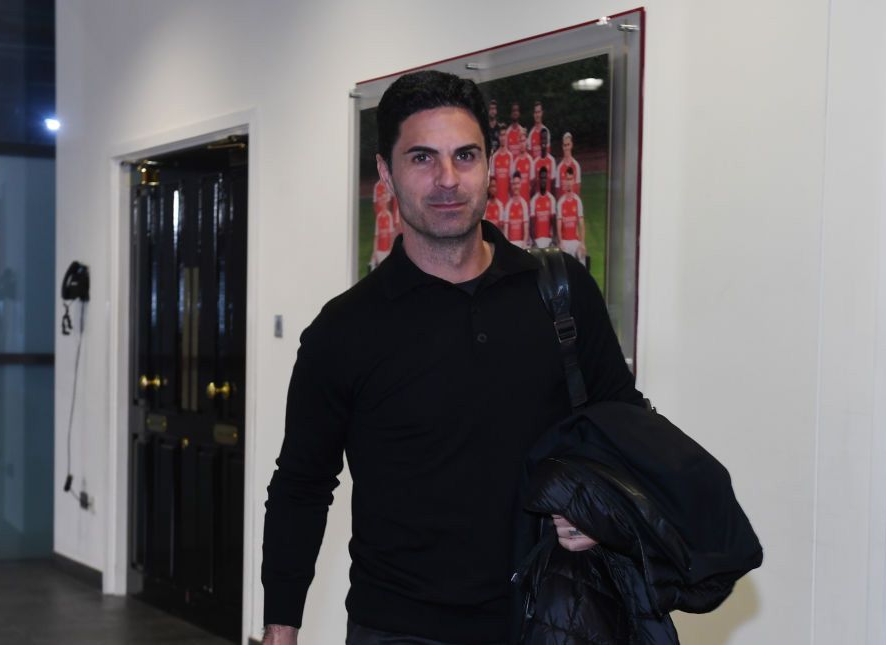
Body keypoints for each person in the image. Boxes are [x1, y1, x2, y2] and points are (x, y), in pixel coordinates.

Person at [262, 70, 641, 644]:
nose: (447, 179)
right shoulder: (343, 330)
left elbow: (624, 421)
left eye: (465, 156)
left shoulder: (560, 293)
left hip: (551, 614)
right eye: (422, 158)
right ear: (385, 175)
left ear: (490, 164)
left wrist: (600, 505)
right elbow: (302, 485)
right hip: (400, 627)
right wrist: (281, 626)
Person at [556, 165, 587, 263]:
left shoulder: (578, 201)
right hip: (565, 242)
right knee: (564, 260)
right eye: (567, 179)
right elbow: (559, 225)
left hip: (575, 241)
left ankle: (582, 277)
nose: (569, 182)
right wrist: (560, 242)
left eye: (570, 179)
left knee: (582, 255)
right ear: (564, 182)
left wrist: (582, 243)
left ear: (573, 181)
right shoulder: (561, 202)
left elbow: (581, 223)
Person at [529, 167, 556, 249]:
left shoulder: (551, 199)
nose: (543, 180)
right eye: (541, 178)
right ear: (539, 180)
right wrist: (534, 241)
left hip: (549, 240)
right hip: (537, 240)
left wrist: (553, 239)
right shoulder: (534, 200)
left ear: (547, 180)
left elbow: (554, 222)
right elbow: (532, 223)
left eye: (545, 178)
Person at [504, 172, 531, 249]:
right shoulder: (508, 205)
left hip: (522, 244)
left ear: (521, 184)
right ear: (512, 186)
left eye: (518, 183)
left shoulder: (524, 204)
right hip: (511, 244)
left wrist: (524, 244)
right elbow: (506, 231)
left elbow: (526, 230)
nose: (516, 186)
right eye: (514, 184)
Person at [488, 124, 513, 205]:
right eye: (501, 135)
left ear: (507, 137)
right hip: (496, 201)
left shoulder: (510, 156)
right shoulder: (494, 157)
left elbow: (511, 180)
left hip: (507, 199)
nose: (503, 138)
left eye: (504, 135)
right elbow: (492, 179)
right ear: (499, 137)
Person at [555, 131, 581, 196]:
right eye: (564, 145)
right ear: (562, 147)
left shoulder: (576, 165)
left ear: (571, 145)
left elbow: (577, 188)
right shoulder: (559, 167)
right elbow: (557, 189)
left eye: (568, 144)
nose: (566, 147)